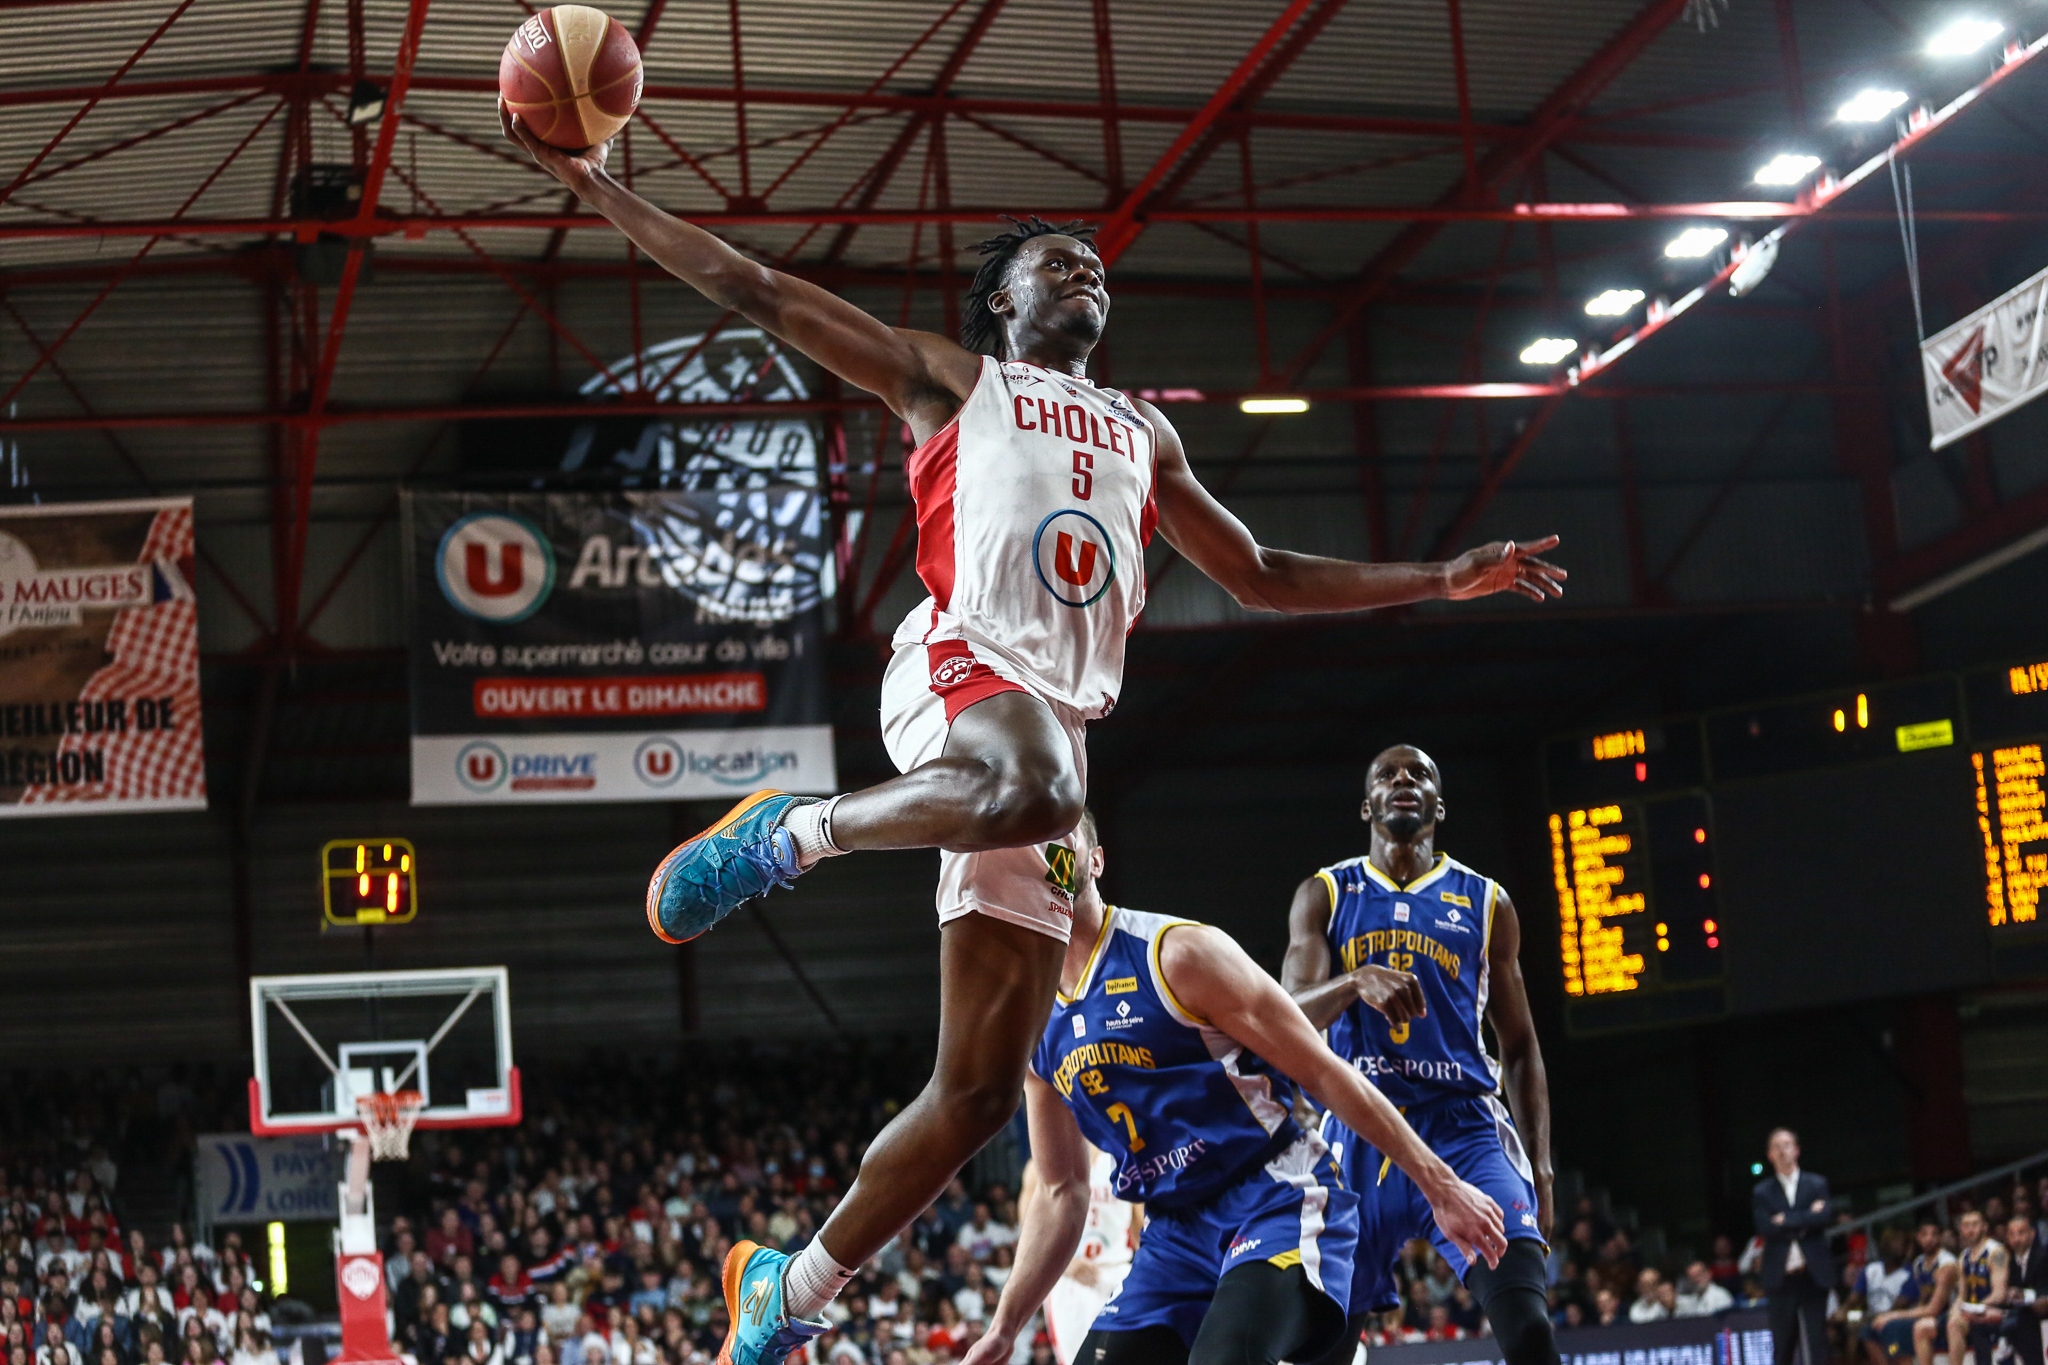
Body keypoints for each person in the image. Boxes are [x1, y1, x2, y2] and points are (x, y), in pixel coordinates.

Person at [503, 103, 1568, 1365]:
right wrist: (597, 187)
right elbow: (753, 287)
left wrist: (1441, 579)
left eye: (1097, 264)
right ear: (998, 303)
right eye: (1054, 259)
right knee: (1041, 787)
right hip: (958, 674)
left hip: (1034, 745)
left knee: (968, 1096)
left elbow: (1266, 570)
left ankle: (791, 1292)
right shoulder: (952, 382)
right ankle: (790, 833)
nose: (1085, 270)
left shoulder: (1143, 433)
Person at [952, 812, 1504, 1365]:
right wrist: (1006, 1326)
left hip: (1275, 1195)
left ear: (1093, 861)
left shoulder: (1176, 954)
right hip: (1174, 1233)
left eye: (1060, 835)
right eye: (1029, 842)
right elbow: (1060, 1190)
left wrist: (1442, 1185)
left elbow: (1324, 1071)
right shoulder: (1031, 1024)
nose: (1044, 849)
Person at [1282, 746, 1559, 1365]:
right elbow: (1286, 1019)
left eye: (1420, 775)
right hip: (1359, 1133)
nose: (1403, 780)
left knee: (1530, 1332)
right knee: (1316, 1352)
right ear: (1367, 805)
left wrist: (1540, 1168)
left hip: (1463, 1130)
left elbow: (1519, 1046)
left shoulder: (1487, 902)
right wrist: (1354, 981)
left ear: (1439, 804)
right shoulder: (1325, 893)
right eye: (1387, 774)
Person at [1024, 1146, 1137, 1365]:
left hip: (1118, 1273)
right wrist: (1064, 1264)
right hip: (1068, 1277)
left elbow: (1142, 1227)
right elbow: (1028, 1234)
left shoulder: (1125, 1157)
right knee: (1075, 1360)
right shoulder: (1042, 1163)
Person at [1866, 1222, 1954, 1365]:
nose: (1929, 1238)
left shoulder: (1946, 1264)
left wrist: (1891, 1315)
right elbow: (1922, 1300)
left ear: (1940, 1237)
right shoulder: (1919, 1263)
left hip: (1945, 1315)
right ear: (1917, 1237)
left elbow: (1934, 1309)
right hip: (1925, 1313)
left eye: (1934, 1234)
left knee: (1895, 1327)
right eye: (1924, 1234)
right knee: (1868, 1331)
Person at [1947, 1211, 2008, 1365]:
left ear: (1985, 1227)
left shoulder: (1996, 1252)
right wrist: (1955, 1309)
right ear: (1961, 1229)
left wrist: (1973, 1308)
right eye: (1966, 1225)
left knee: (1955, 1324)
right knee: (1924, 1326)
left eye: (1975, 1224)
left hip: (1995, 1309)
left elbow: (1999, 1294)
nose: (1970, 1229)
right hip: (1971, 1310)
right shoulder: (1964, 1256)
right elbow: (1961, 1294)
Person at [1997, 1213, 2045, 1365]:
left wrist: (2024, 1294)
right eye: (2012, 1234)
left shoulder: (2044, 1255)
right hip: (2023, 1312)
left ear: (2032, 1234)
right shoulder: (2009, 1260)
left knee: (2019, 1322)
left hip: (2040, 1311)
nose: (2016, 1239)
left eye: (2021, 1233)